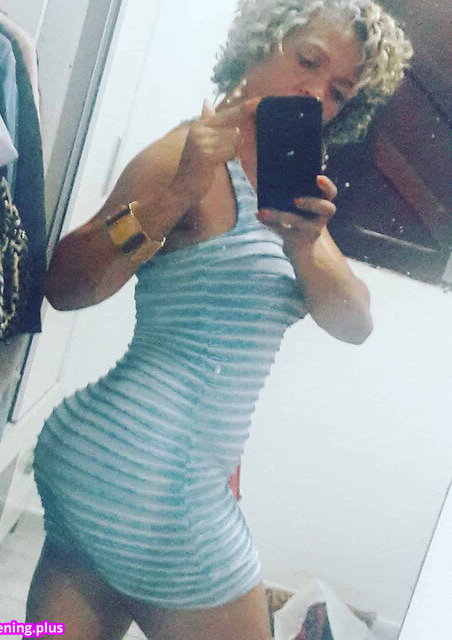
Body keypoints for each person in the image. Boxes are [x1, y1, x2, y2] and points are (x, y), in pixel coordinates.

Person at [27, 1, 413, 638]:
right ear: (261, 43)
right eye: (308, 61)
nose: (316, 93)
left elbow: (356, 323)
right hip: (157, 486)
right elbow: (65, 286)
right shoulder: (182, 158)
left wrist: (305, 244)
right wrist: (177, 193)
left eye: (339, 91)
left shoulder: (293, 194)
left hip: (123, 467)